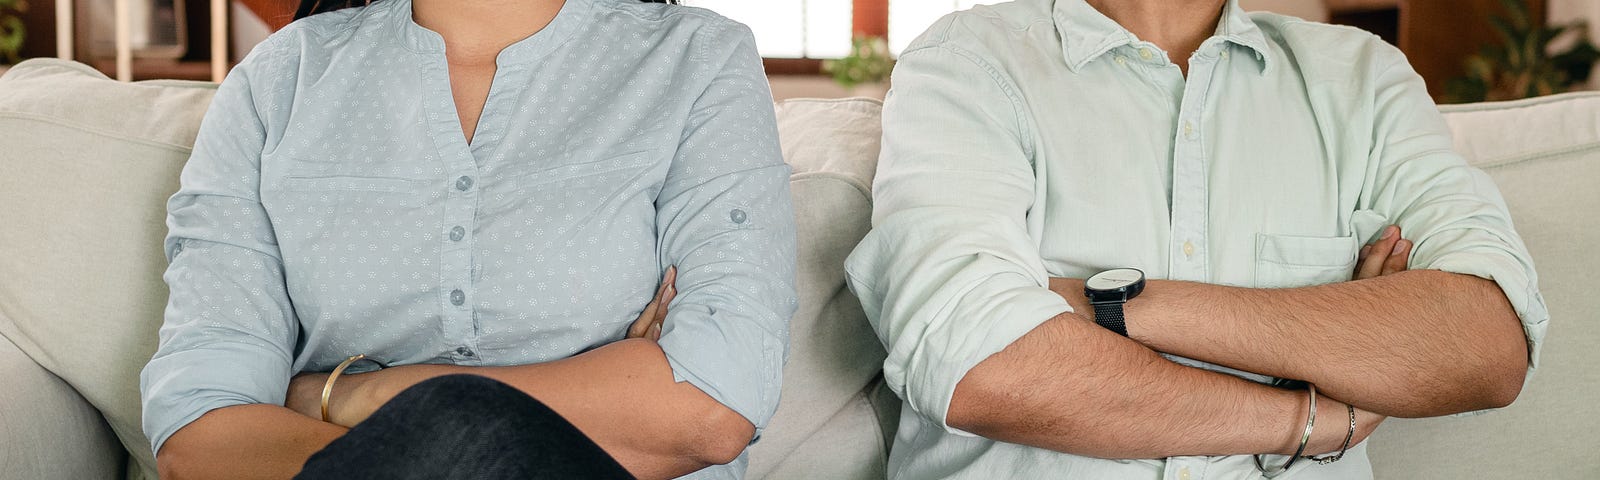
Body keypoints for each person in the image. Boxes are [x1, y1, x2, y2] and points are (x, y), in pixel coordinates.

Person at [844, 0, 1547, 478]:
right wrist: (1308, 419)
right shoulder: (969, 61)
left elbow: (1486, 345)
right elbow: (978, 366)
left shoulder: (1363, 78)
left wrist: (1104, 305)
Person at [138, 0, 798, 478]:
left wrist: (341, 394)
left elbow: (712, 405)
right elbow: (200, 439)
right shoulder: (276, 83)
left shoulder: (699, 60)